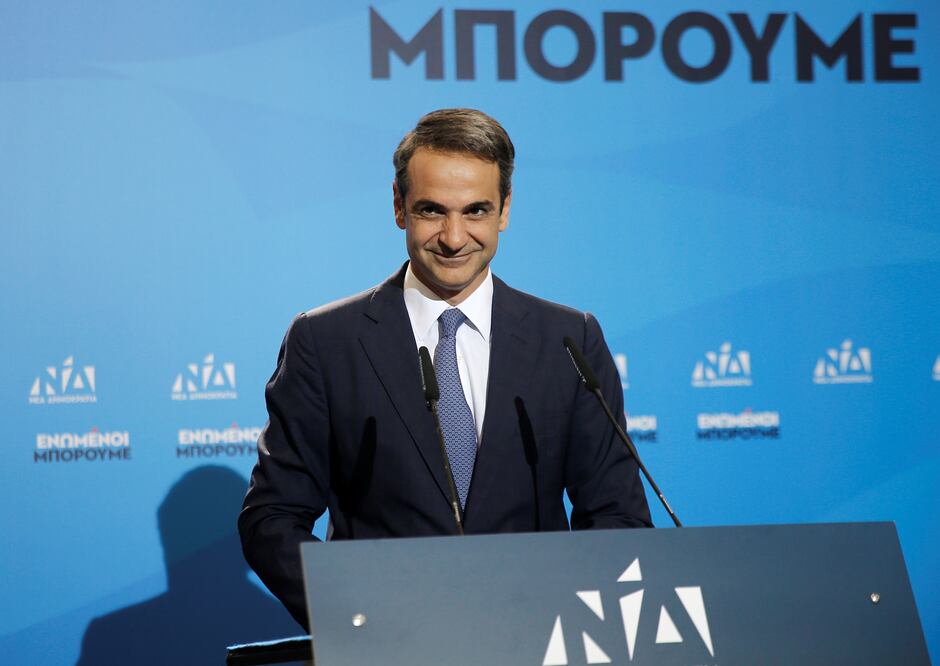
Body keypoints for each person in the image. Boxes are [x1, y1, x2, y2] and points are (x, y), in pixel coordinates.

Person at [239, 108, 652, 629]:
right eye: (432, 211)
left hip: (539, 641)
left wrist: (577, 618)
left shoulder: (569, 340)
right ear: (398, 206)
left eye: (476, 211)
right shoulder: (326, 342)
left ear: (504, 209)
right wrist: (358, 619)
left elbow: (617, 516)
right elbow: (271, 519)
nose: (454, 238)